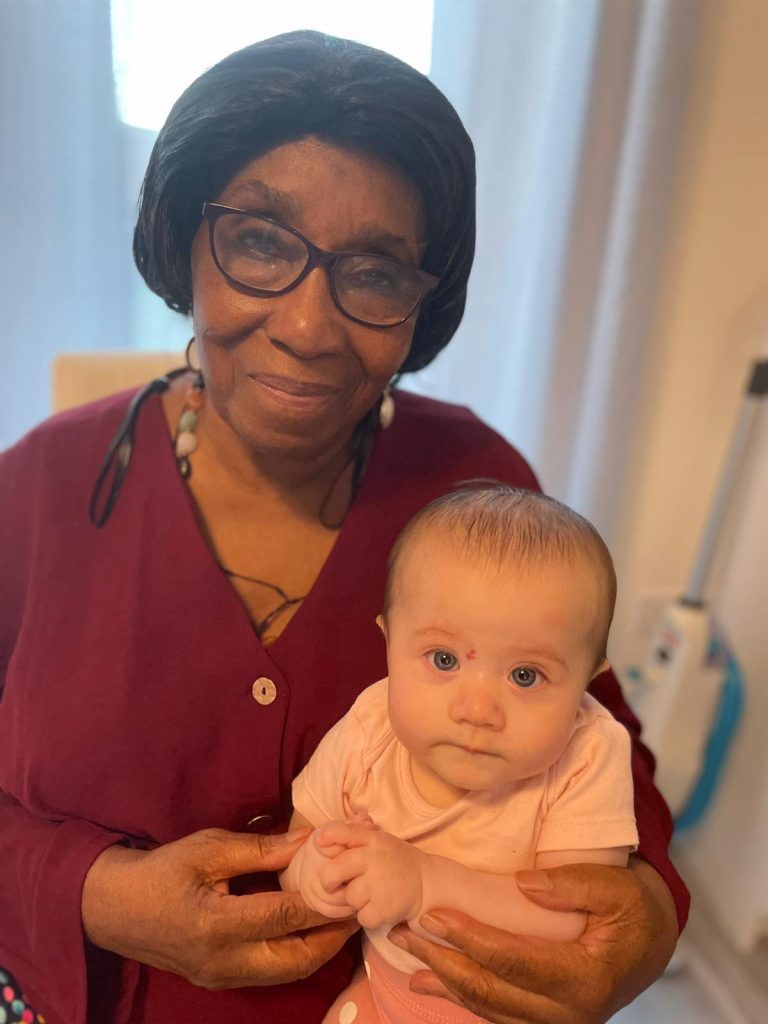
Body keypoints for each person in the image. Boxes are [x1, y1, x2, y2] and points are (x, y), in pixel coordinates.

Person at [0, 29, 686, 1024]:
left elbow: (595, 732)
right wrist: (94, 894)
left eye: (375, 271)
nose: (310, 328)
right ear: (185, 242)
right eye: (260, 242)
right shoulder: (41, 489)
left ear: (422, 300)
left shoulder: (476, 484)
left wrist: (647, 919)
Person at [283, 485, 639, 1023]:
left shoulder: (587, 754)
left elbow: (574, 920)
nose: (477, 710)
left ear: (589, 680)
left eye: (526, 675)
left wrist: (424, 883)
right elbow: (302, 840)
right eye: (444, 659)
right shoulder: (370, 727)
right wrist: (315, 874)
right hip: (381, 994)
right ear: (388, 641)